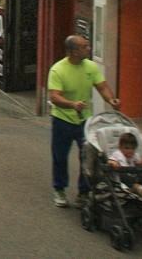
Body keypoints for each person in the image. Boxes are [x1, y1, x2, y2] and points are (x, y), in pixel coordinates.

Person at [48, 35, 120, 208]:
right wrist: (71, 104)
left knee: (88, 157)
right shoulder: (58, 70)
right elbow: (54, 96)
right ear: (74, 51)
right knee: (60, 156)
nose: (89, 48)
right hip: (62, 120)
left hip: (85, 121)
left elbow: (101, 86)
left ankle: (84, 192)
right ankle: (60, 189)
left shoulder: (90, 66)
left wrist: (111, 100)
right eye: (85, 46)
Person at [108, 132, 142, 196]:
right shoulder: (117, 154)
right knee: (128, 180)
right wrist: (113, 163)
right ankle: (140, 189)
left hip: (135, 173)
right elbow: (109, 161)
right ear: (120, 147)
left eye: (132, 148)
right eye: (126, 148)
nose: (130, 151)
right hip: (125, 176)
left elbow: (139, 163)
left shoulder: (134, 155)